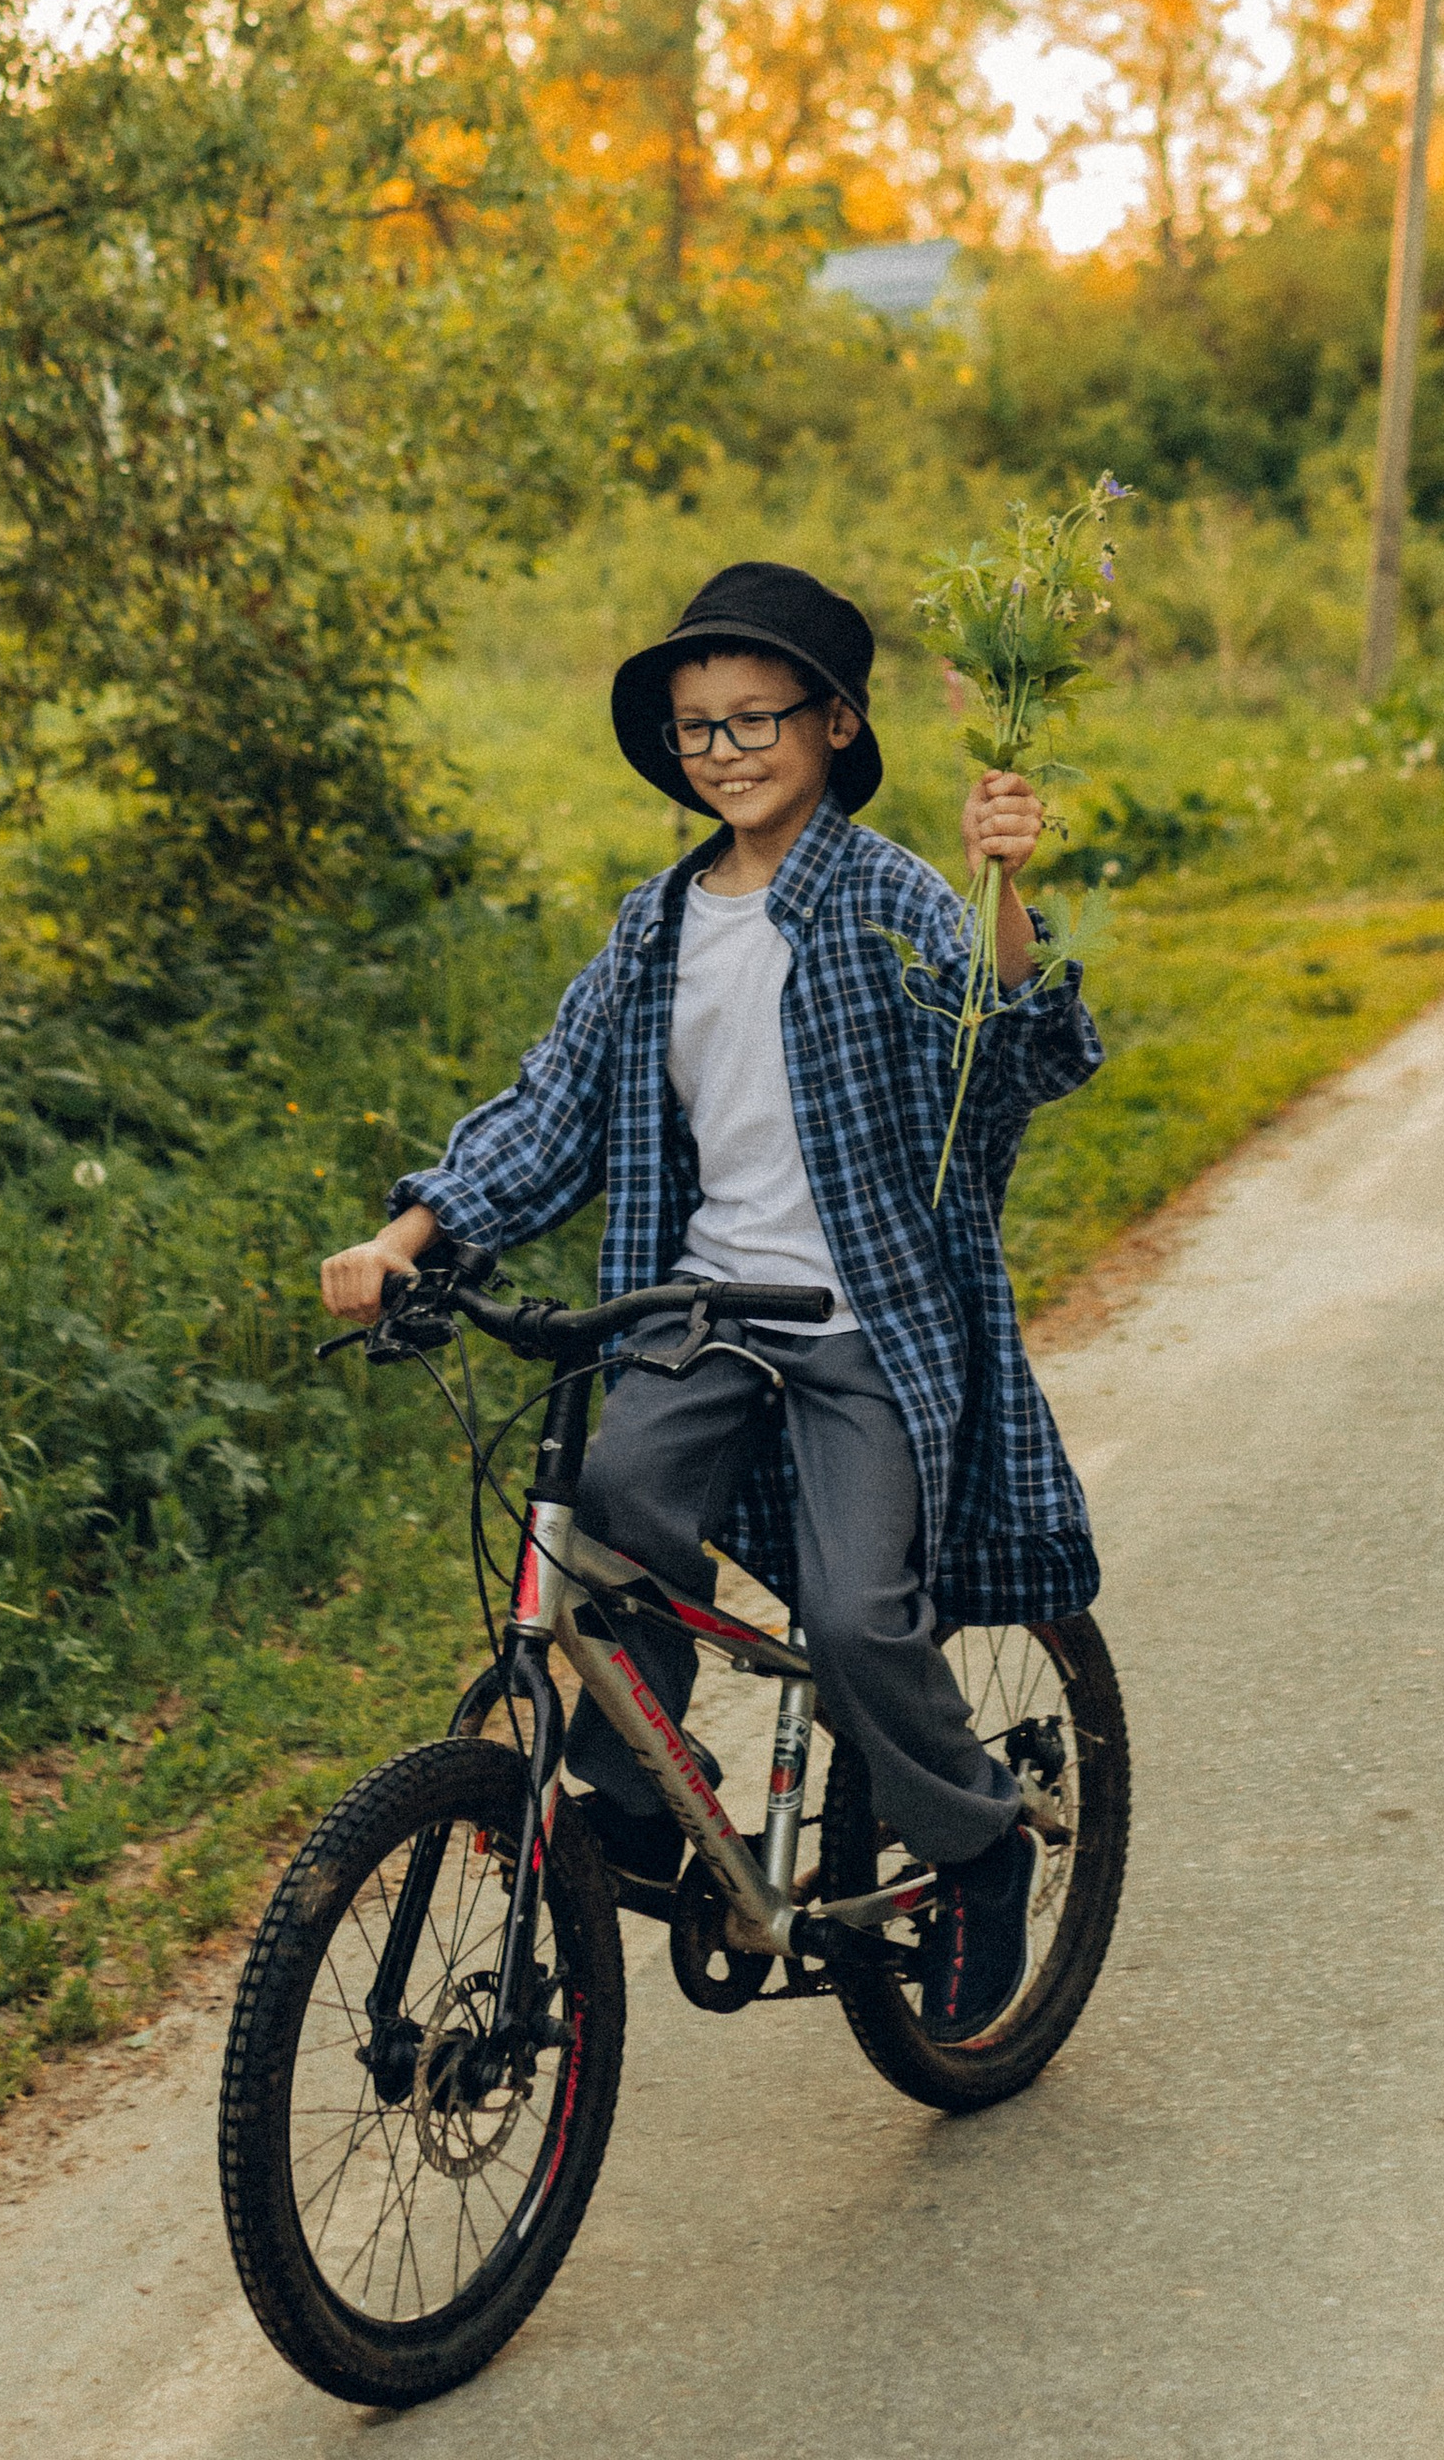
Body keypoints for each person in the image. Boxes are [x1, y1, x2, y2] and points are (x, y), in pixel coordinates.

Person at [320, 560, 1105, 2046]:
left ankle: (979, 1843)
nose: (728, 751)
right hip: (700, 1316)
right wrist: (407, 1235)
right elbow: (551, 1111)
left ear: (834, 726)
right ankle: (635, 1807)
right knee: (611, 1509)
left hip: (862, 1324)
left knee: (863, 1620)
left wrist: (1006, 889)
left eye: (758, 720)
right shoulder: (657, 925)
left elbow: (1001, 1057)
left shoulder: (888, 897)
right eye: (699, 729)